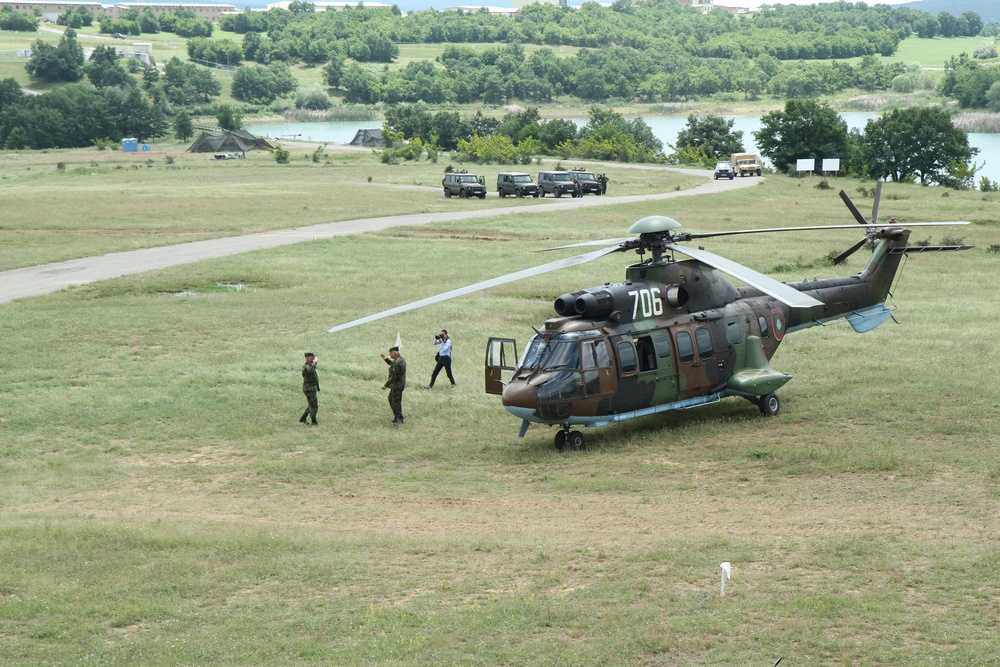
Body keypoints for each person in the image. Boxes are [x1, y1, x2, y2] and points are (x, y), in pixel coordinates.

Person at [380, 346, 407, 424]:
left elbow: (394, 376)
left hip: (397, 385)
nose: (389, 355)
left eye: (390, 353)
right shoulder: (400, 360)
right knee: (391, 399)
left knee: (395, 402)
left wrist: (385, 385)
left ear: (394, 353)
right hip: (397, 385)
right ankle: (397, 416)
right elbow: (393, 364)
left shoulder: (398, 362)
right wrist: (386, 360)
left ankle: (399, 418)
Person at [299, 352, 319, 426]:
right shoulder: (306, 367)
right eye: (312, 357)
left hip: (311, 388)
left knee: (311, 403)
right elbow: (311, 369)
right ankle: (314, 421)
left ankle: (303, 418)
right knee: (314, 405)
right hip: (309, 389)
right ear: (308, 358)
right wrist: (315, 362)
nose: (313, 359)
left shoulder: (309, 365)